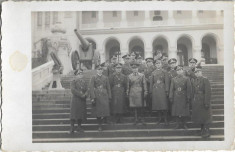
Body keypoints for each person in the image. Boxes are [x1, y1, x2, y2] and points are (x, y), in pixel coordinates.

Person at [191, 65, 212, 138]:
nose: (197, 73)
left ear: (201, 72)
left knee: (205, 116)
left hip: (203, 100)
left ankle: (207, 131)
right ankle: (202, 130)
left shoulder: (205, 79)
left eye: (198, 72)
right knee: (200, 116)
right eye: (195, 72)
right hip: (197, 100)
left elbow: (208, 92)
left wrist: (206, 102)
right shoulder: (195, 80)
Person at [90, 65, 112, 131]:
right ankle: (99, 125)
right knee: (98, 111)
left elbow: (108, 87)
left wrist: (109, 96)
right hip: (97, 95)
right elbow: (91, 88)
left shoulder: (105, 78)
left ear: (102, 70)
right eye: (98, 69)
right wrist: (93, 97)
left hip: (104, 95)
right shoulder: (93, 77)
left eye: (101, 69)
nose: (100, 71)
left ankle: (105, 121)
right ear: (96, 70)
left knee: (105, 109)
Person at [150, 60, 170, 125]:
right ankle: (159, 118)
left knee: (164, 105)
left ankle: (165, 119)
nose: (158, 64)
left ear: (161, 64)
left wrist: (167, 90)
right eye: (157, 63)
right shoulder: (153, 72)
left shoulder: (164, 72)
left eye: (159, 63)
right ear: (155, 65)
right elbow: (151, 83)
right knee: (157, 105)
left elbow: (167, 82)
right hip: (155, 90)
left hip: (162, 89)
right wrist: (151, 91)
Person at [69, 69, 88, 134]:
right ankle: (72, 128)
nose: (80, 75)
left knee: (80, 114)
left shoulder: (84, 82)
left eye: (81, 74)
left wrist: (85, 94)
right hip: (75, 99)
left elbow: (87, 89)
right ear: (76, 75)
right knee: (73, 114)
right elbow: (73, 90)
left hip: (82, 100)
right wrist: (81, 95)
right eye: (79, 74)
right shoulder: (73, 81)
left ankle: (79, 127)